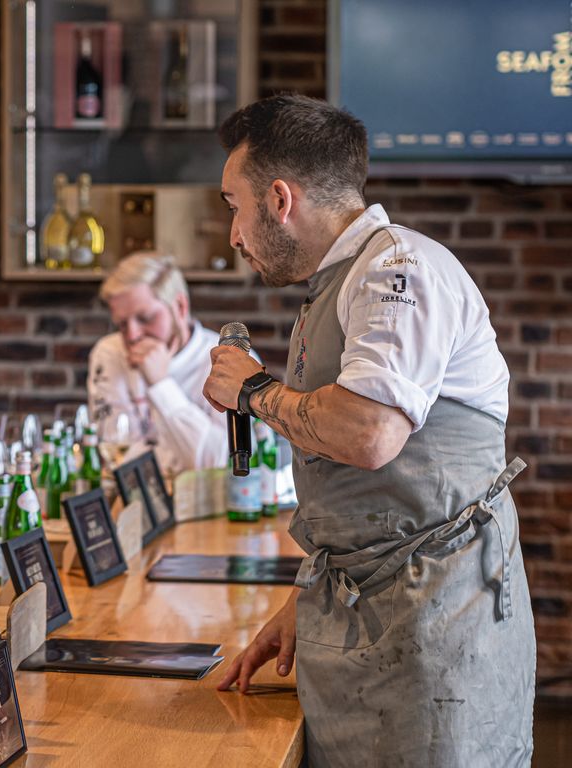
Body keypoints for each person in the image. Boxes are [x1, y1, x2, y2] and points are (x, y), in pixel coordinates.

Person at [205, 94, 534, 766]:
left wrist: (252, 390)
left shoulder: (398, 272)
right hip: (372, 610)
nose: (233, 235)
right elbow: (366, 492)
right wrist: (307, 600)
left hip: (436, 625)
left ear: (279, 200)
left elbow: (369, 434)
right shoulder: (343, 280)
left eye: (234, 206)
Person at [88, 252, 228, 475]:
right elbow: (116, 452)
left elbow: (221, 464)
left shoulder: (227, 361)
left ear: (180, 307)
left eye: (145, 318)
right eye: (122, 324)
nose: (132, 335)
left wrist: (161, 385)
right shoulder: (109, 353)